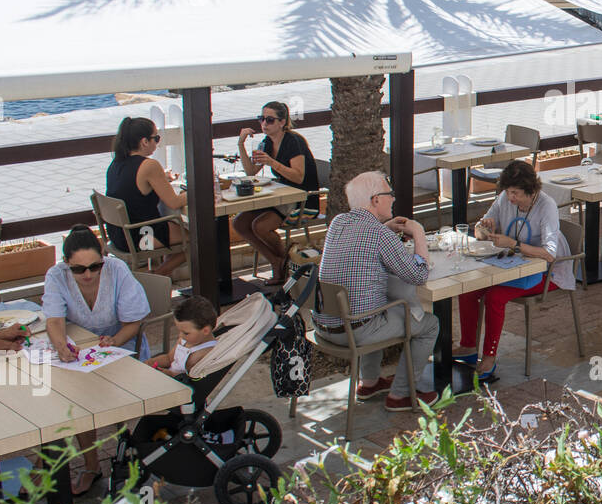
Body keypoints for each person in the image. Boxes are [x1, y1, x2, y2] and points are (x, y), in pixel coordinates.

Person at [43, 225, 151, 494]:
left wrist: (113, 341)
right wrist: (60, 346)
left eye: (95, 266)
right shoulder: (56, 276)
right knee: (65, 393)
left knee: (76, 396)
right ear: (66, 263)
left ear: (103, 257)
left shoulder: (117, 270)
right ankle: (83, 464)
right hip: (82, 350)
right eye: (79, 269)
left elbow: (134, 323)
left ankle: (83, 466)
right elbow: (54, 319)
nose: (88, 274)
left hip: (122, 348)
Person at [317, 170, 439, 411]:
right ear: (375, 200)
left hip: (325, 325)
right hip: (355, 331)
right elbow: (418, 274)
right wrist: (418, 233)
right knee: (429, 323)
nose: (393, 199)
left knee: (374, 304)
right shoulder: (380, 234)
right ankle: (402, 395)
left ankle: (370, 382)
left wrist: (386, 227)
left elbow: (364, 247)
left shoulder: (338, 223)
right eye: (389, 194)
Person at [463, 160, 574, 378]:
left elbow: (549, 253)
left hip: (547, 272)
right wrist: (483, 229)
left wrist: (512, 244)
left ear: (530, 190)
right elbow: (479, 230)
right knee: (468, 289)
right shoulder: (505, 198)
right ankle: (467, 347)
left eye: (515, 193)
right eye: (507, 192)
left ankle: (489, 356)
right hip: (511, 266)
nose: (510, 198)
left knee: (495, 297)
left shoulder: (546, 205)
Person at [235, 101, 320, 285]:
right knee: (239, 223)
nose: (264, 124)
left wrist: (271, 162)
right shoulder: (266, 142)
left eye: (270, 120)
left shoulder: (293, 141)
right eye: (262, 119)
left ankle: (284, 265)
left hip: (302, 199)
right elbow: (251, 172)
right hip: (281, 195)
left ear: (282, 122)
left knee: (260, 226)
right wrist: (241, 144)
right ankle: (277, 261)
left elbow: (298, 177)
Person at [105, 117, 188, 277]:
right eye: (156, 138)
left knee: (174, 231)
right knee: (198, 237)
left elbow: (134, 185)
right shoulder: (149, 165)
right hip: (142, 237)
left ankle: (161, 277)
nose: (157, 143)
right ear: (144, 141)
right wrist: (199, 190)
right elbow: (174, 201)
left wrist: (162, 178)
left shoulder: (115, 164)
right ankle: (157, 276)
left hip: (119, 236)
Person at [150, 297, 217, 378]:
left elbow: (192, 380)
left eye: (185, 333)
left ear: (205, 331)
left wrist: (170, 375)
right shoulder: (185, 340)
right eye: (179, 331)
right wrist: (150, 363)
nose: (180, 336)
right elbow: (168, 358)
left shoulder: (206, 353)